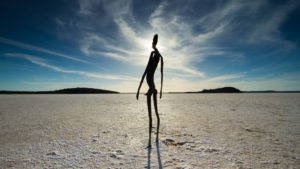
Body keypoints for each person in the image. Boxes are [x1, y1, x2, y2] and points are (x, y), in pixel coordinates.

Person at [136, 34, 164, 148]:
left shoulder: (159, 56)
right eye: (153, 42)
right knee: (150, 115)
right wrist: (138, 88)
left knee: (155, 114)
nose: (153, 44)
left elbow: (161, 72)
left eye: (154, 42)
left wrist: (161, 90)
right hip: (149, 82)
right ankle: (150, 141)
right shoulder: (152, 54)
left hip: (152, 84)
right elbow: (145, 71)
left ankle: (155, 138)